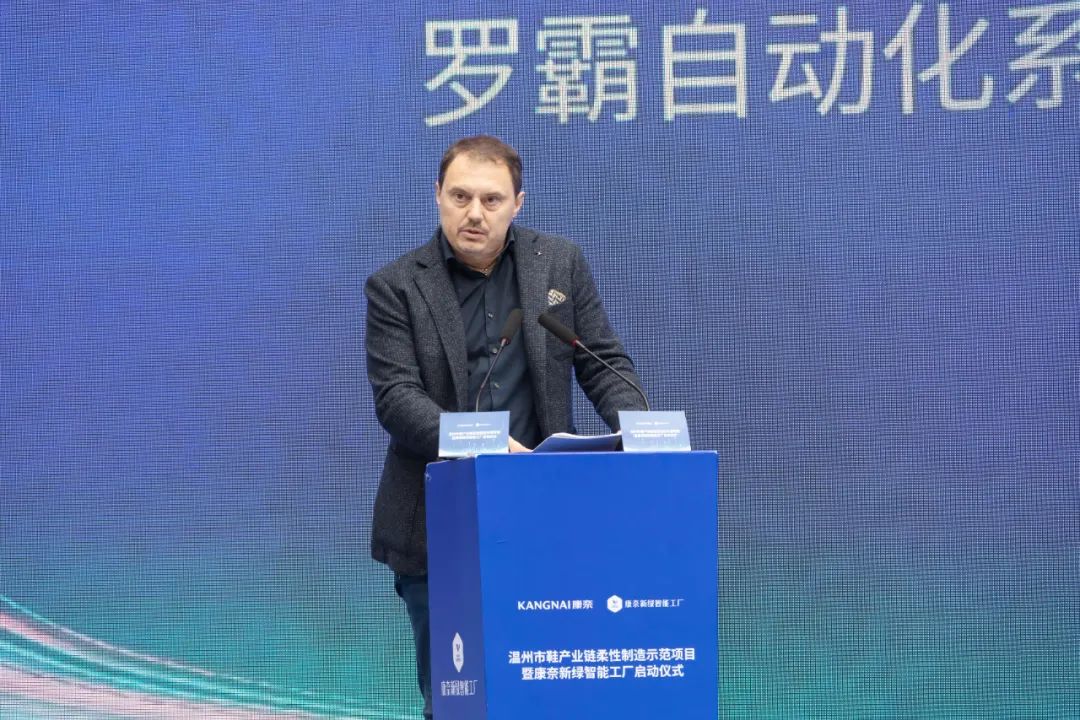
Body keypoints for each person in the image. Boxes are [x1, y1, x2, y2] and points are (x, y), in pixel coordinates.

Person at [364, 135, 647, 718]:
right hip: (437, 524)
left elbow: (601, 362)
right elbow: (397, 399)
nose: (474, 213)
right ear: (437, 195)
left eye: (491, 200)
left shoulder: (559, 264)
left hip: (542, 516)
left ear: (518, 203)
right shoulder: (396, 287)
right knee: (457, 698)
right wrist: (487, 442)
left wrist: (641, 430)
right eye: (460, 197)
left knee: (546, 690)